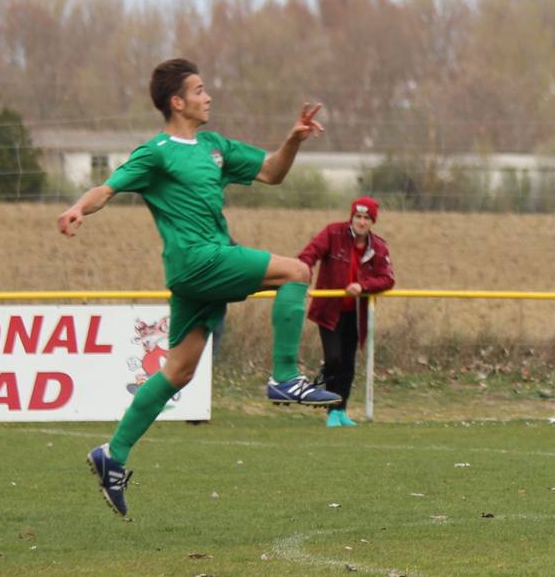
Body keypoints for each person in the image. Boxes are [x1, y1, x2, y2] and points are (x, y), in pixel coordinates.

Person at [58, 58, 338, 517]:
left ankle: (113, 454)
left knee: (178, 371)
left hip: (195, 273)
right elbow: (107, 189)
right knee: (296, 272)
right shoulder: (157, 152)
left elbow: (271, 172)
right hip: (199, 260)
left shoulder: (213, 146)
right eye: (200, 89)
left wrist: (292, 140)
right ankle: (285, 377)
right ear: (177, 101)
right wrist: (76, 209)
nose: (209, 96)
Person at [299, 196, 396, 427]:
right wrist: (300, 272)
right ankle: (331, 409)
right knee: (333, 359)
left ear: (372, 221)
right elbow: (309, 254)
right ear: (351, 217)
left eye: (366, 218)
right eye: (358, 216)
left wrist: (363, 287)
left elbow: (387, 279)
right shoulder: (333, 233)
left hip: (357, 314)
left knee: (348, 363)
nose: (361, 222)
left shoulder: (379, 247)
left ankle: (341, 410)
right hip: (329, 310)